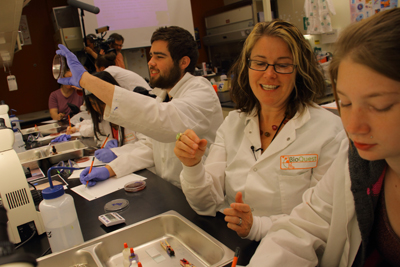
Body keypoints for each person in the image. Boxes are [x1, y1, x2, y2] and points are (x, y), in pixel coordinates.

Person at [247, 8, 400, 266]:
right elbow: (304, 226)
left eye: (380, 106)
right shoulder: (356, 163)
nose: (353, 126)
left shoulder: (331, 135)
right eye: (346, 103)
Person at [174, 19, 346, 242]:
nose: (269, 74)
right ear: (247, 67)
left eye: (282, 65)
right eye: (260, 63)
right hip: (235, 245)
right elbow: (206, 205)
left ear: (299, 70)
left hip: (296, 251)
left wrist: (257, 227)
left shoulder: (328, 132)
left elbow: (322, 219)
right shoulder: (233, 123)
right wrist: (192, 166)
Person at [56, 26, 224, 188]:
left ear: (183, 62)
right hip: (171, 192)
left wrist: (86, 80)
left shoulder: (201, 90)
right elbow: (150, 147)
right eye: (151, 56)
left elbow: (164, 120)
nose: (150, 62)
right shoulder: (163, 96)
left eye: (159, 57)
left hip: (204, 195)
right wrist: (110, 169)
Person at [67, 71, 143, 152]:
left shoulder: (134, 114)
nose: (97, 108)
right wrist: (107, 141)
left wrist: (117, 153)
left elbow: (147, 146)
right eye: (93, 103)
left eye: (100, 102)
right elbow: (99, 134)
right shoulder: (102, 117)